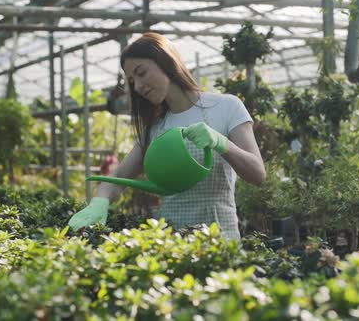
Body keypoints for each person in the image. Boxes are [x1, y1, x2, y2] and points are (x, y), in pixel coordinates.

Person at [67, 32, 266, 240]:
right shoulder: (154, 128)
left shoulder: (226, 107)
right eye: (132, 81)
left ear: (166, 61)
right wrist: (101, 200)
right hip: (171, 246)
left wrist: (221, 143)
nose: (138, 87)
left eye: (142, 73)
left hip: (221, 242)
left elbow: (257, 174)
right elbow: (116, 180)